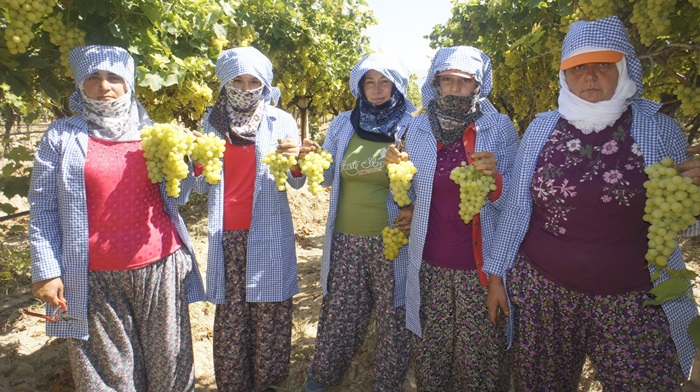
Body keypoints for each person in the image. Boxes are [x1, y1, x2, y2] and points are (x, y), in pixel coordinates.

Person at [485, 16, 699, 390]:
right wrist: (497, 276)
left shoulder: (658, 128)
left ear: (623, 68)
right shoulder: (542, 127)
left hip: (634, 301)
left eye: (603, 65)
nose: (590, 76)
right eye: (578, 68)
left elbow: (684, 222)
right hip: (543, 295)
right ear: (564, 77)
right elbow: (519, 208)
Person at [28, 45, 205, 391]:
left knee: (170, 368)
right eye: (93, 77)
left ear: (129, 84)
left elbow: (180, 194)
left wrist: (192, 159)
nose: (104, 85)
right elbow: (43, 207)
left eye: (114, 77)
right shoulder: (61, 136)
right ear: (80, 85)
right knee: (106, 376)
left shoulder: (155, 135)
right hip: (94, 277)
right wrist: (47, 271)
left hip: (160, 268)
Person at [384, 46, 518, 391]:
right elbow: (411, 194)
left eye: (464, 81)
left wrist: (496, 183)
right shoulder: (417, 128)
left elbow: (518, 205)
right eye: (447, 80)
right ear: (437, 84)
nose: (455, 88)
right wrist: (401, 187)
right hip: (430, 269)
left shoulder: (500, 128)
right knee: (432, 360)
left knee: (480, 365)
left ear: (477, 86)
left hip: (480, 272)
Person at [182, 46, 308, 392]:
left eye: (254, 81)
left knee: (270, 315)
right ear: (225, 81)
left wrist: (296, 161)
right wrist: (193, 160)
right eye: (238, 79)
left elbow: (296, 181)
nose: (246, 86)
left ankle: (268, 384)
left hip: (268, 230)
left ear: (264, 84)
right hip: (228, 235)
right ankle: (234, 385)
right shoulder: (211, 121)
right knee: (231, 320)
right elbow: (197, 185)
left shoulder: (280, 119)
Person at [304, 54, 416, 392]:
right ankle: (320, 379)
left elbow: (422, 178)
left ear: (396, 85)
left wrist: (412, 205)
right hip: (346, 240)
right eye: (370, 82)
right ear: (360, 86)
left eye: (384, 82)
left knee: (393, 320)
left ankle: (387, 385)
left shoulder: (413, 125)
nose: (377, 89)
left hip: (393, 242)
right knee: (339, 315)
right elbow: (325, 174)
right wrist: (307, 158)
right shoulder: (343, 123)